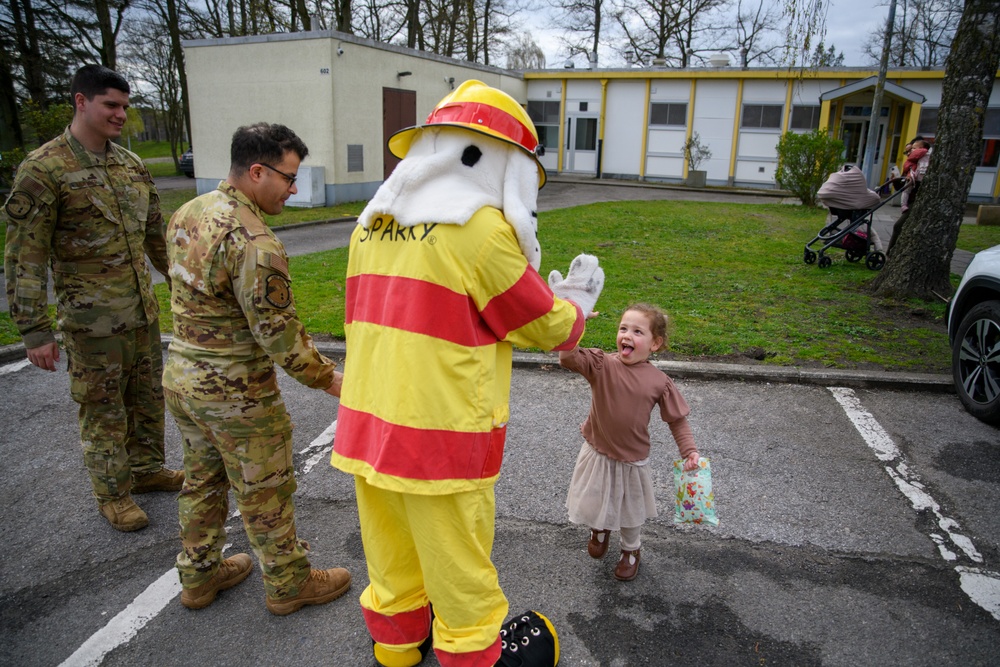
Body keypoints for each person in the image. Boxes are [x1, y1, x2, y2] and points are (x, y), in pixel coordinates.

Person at [331, 80, 603, 667]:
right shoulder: (478, 230)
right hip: (440, 429)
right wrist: (576, 303)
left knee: (390, 545)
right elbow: (539, 324)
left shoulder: (370, 224)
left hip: (367, 419)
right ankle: (472, 654)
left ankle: (397, 642)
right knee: (458, 557)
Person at [163, 122, 351, 615]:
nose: (294, 189)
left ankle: (199, 577)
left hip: (183, 379)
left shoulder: (187, 211)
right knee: (265, 488)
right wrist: (329, 378)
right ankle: (289, 584)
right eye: (288, 178)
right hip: (235, 394)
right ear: (256, 171)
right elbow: (277, 332)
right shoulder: (254, 241)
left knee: (202, 480)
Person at [3, 64, 182, 533]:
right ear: (81, 102)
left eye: (125, 106)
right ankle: (112, 493)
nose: (121, 114)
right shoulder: (45, 169)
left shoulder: (130, 165)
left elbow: (155, 239)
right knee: (103, 408)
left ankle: (146, 472)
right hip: (91, 323)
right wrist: (34, 329)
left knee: (146, 400)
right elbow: (25, 256)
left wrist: (185, 284)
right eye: (111, 105)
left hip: (141, 314)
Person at [559, 303, 700, 582]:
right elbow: (568, 358)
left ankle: (630, 550)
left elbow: (677, 419)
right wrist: (573, 323)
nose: (627, 335)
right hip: (597, 450)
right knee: (595, 496)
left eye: (638, 331)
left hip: (632, 459)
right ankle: (599, 529)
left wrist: (690, 451)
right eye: (623, 328)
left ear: (655, 343)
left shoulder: (659, 382)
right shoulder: (602, 365)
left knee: (630, 509)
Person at [887, 137, 932, 255]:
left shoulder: (924, 164)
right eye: (906, 152)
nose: (908, 154)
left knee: (899, 226)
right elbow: (901, 188)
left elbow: (922, 182)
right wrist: (896, 180)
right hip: (910, 200)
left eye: (911, 150)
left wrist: (913, 180)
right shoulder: (910, 165)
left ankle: (891, 253)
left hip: (917, 201)